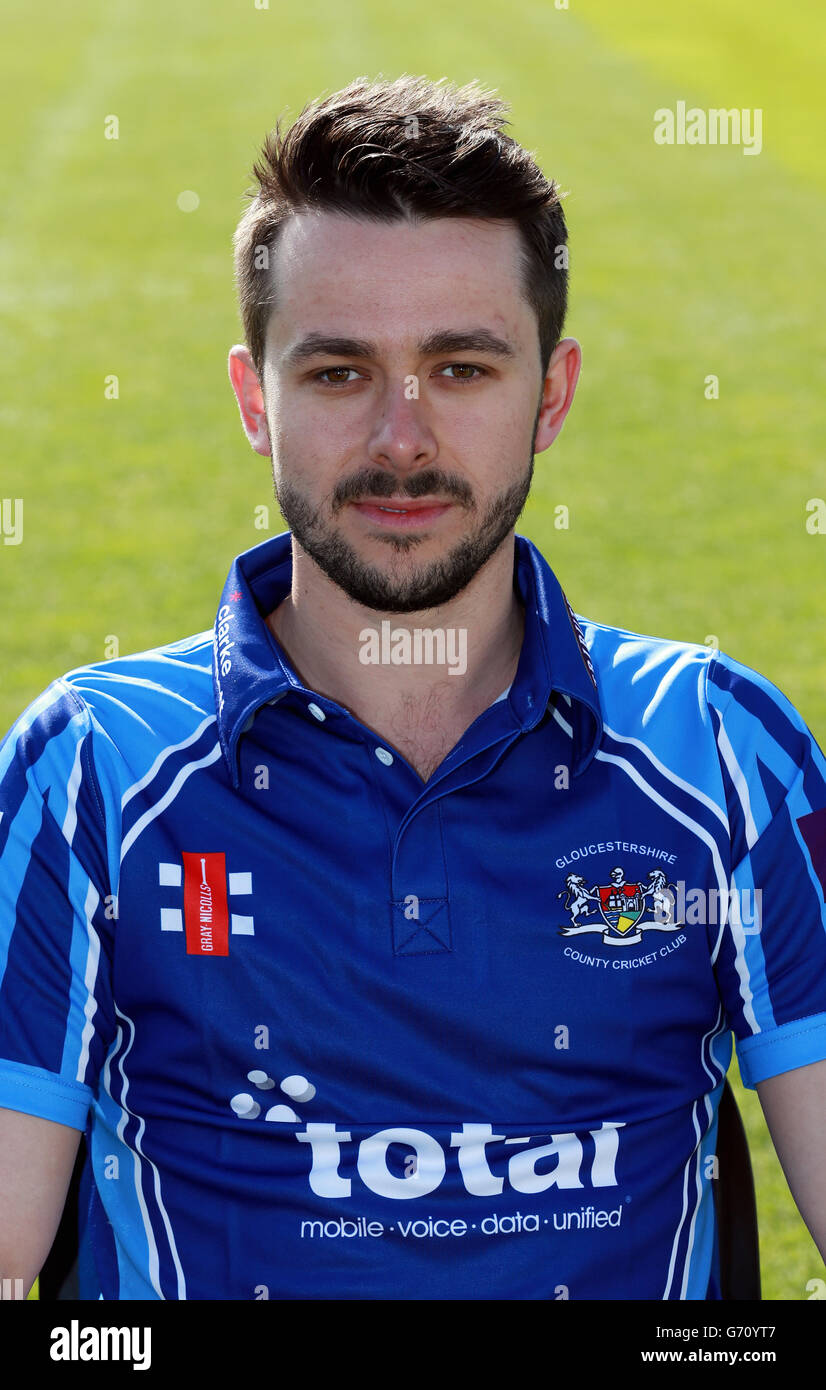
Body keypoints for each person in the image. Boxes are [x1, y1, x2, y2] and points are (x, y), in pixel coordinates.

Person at [1, 73, 824, 1302]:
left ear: (550, 393)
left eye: (461, 369)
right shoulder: (91, 767)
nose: (400, 439)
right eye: (337, 373)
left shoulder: (719, 750)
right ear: (252, 399)